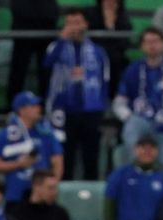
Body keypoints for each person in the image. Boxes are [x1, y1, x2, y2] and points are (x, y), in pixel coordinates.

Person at [43, 9, 112, 180]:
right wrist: (62, 39)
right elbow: (47, 64)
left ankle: (91, 190)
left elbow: (105, 80)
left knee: (91, 157)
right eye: (69, 23)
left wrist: (101, 106)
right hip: (63, 110)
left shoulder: (97, 51)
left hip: (91, 110)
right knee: (65, 157)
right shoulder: (55, 47)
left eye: (77, 22)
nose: (74, 27)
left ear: (86, 24)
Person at [112, 29, 163, 179]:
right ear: (142, 46)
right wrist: (128, 117)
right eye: (148, 42)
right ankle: (132, 180)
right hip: (138, 118)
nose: (152, 45)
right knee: (130, 133)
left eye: (155, 41)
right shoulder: (132, 70)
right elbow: (120, 101)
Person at [0, 92, 64, 208]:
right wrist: (18, 164)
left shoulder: (47, 134)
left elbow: (58, 163)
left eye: (38, 105)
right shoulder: (4, 135)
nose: (38, 109)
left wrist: (50, 187)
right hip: (15, 196)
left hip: (42, 198)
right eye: (33, 106)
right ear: (21, 110)